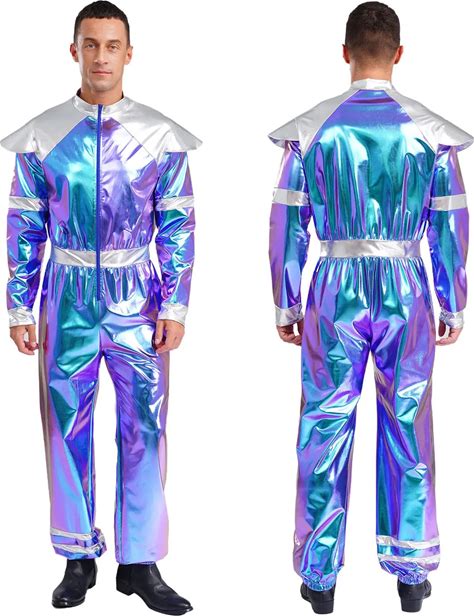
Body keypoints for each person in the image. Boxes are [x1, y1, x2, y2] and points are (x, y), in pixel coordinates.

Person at [267, 2, 471, 613]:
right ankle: (411, 573)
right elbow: (451, 223)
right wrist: (452, 301)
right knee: (407, 421)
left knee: (325, 423)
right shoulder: (431, 133)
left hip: (333, 286)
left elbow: (286, 221)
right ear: (399, 53)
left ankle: (319, 577)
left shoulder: (311, 131)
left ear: (345, 52)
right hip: (406, 286)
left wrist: (286, 301)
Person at [1, 2, 200, 612]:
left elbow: (178, 223)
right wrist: (20, 307)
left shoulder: (158, 136)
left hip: (136, 294)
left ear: (129, 53)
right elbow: (24, 224)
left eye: (112, 45)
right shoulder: (44, 135)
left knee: (146, 425)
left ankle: (139, 562)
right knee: (65, 425)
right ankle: (77, 556)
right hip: (65, 295)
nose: (101, 56)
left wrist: (175, 305)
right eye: (91, 44)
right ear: (74, 51)